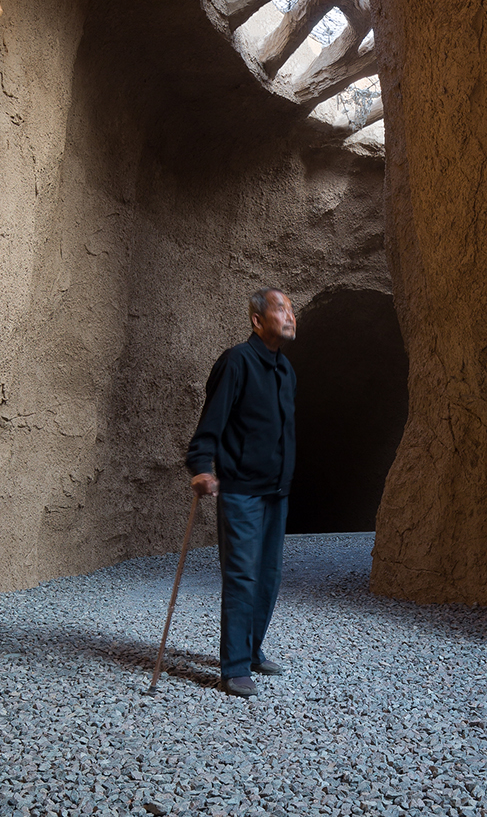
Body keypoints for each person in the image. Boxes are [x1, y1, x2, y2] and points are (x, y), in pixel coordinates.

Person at [186, 286, 298, 697]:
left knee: (269, 576)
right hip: (242, 493)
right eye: (281, 309)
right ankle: (233, 667)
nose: (290, 316)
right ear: (257, 320)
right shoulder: (236, 362)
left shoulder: (286, 371)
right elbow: (209, 424)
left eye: (292, 310)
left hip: (276, 493)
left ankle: (251, 651)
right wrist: (201, 467)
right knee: (242, 577)